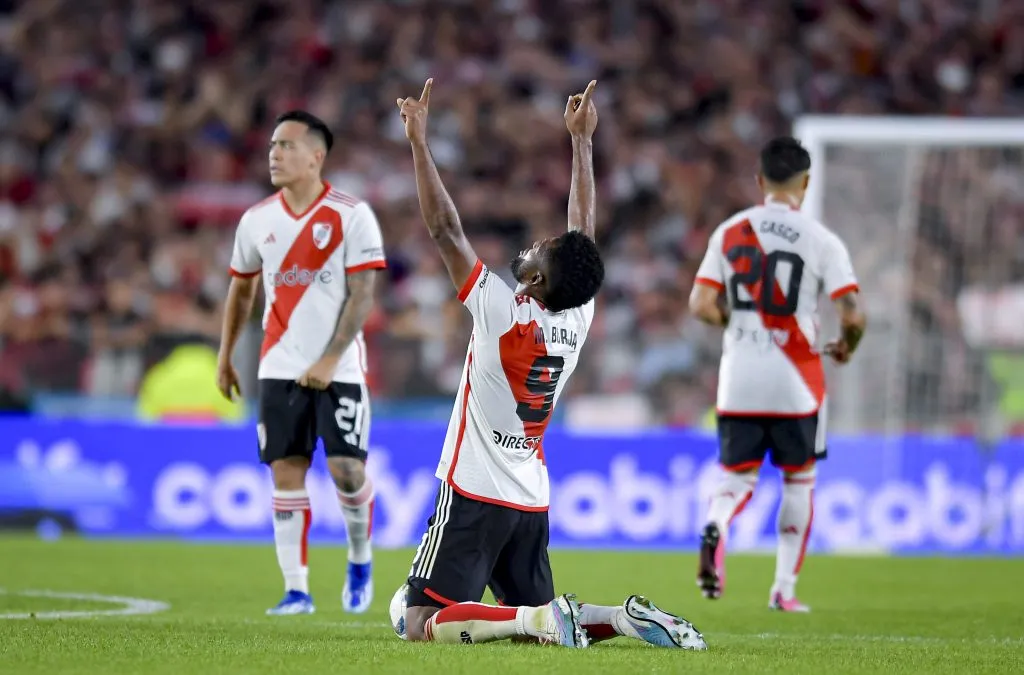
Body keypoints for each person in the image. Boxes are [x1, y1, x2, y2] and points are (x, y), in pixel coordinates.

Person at [392, 78, 707, 650]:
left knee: (417, 624)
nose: (534, 246)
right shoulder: (578, 313)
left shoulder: (498, 308)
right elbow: (581, 235)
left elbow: (445, 228)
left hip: (473, 490)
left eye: (538, 251)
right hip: (530, 495)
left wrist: (418, 144)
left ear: (535, 279)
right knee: (534, 625)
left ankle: (537, 619)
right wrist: (582, 144)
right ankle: (624, 616)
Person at [216, 110, 387, 616]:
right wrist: (225, 355)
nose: (274, 153)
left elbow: (363, 296)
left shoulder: (351, 214)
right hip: (278, 365)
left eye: (287, 145)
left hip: (342, 371)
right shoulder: (256, 220)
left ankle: (360, 557)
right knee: (286, 474)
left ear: (317, 156)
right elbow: (241, 290)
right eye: (272, 144)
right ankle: (297, 590)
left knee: (346, 471)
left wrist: (332, 359)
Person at [688, 136, 867, 612]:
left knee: (737, 477)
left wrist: (739, 325)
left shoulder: (730, 231)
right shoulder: (822, 240)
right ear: (805, 183)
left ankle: (718, 524)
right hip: (797, 380)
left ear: (760, 180)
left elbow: (700, 305)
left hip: (739, 375)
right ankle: (783, 589)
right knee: (799, 480)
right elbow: (851, 315)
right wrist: (846, 348)